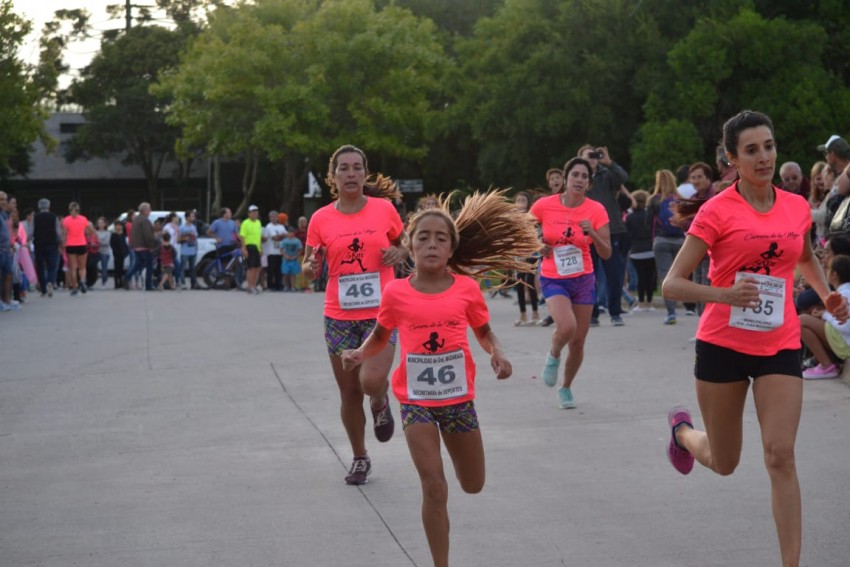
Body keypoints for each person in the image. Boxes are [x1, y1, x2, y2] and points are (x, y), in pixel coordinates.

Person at [662, 110, 849, 567]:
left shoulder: (795, 206)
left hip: (780, 343)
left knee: (780, 455)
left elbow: (803, 256)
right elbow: (672, 284)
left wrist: (825, 296)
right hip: (722, 345)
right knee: (725, 462)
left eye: (768, 146)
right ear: (732, 159)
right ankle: (683, 433)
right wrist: (724, 293)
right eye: (751, 150)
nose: (763, 156)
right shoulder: (717, 210)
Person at [340, 190, 538, 567]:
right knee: (434, 486)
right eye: (423, 238)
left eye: (440, 238)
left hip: (458, 399)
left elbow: (483, 331)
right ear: (410, 248)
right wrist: (360, 354)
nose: (432, 244)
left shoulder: (466, 288)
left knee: (472, 484)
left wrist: (498, 352)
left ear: (451, 250)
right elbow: (381, 336)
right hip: (415, 401)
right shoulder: (395, 292)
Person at [302, 144, 408, 485]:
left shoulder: (384, 209)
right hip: (339, 316)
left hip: (382, 312)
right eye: (343, 168)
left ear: (365, 173)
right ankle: (360, 457)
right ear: (334, 177)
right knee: (349, 393)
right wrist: (309, 267)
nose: (351, 173)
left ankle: (379, 401)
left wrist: (398, 251)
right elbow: (308, 267)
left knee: (371, 381)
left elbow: (406, 243)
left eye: (356, 167)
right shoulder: (320, 219)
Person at [532, 157, 611, 408]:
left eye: (584, 176)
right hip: (554, 276)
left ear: (589, 182)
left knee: (578, 341)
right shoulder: (544, 205)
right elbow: (523, 231)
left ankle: (566, 388)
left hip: (583, 278)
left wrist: (594, 234)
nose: (579, 180)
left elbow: (607, 252)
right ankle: (553, 354)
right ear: (565, 179)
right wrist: (536, 245)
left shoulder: (596, 209)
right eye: (575, 175)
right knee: (566, 327)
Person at [578, 144, 629, 326]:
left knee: (614, 274)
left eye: (594, 155)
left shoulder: (607, 175)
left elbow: (623, 177)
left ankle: (615, 312)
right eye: (587, 156)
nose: (592, 158)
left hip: (611, 229)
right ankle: (592, 314)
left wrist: (609, 162)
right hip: (585, 233)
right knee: (589, 275)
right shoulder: (579, 178)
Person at [799, 254, 850, 379]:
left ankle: (826, 365)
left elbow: (846, 326)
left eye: (827, 268)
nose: (824, 272)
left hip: (846, 344)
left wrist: (825, 314)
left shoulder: (845, 294)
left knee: (801, 321)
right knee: (809, 315)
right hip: (844, 341)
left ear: (834, 275)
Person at [624, 190, 656, 311]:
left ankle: (641, 303)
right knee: (650, 277)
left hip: (636, 251)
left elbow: (628, 235)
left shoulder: (630, 217)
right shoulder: (650, 215)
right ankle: (650, 302)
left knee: (640, 277)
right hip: (651, 249)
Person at [513, 191, 540, 326]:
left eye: (523, 200)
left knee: (529, 281)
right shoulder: (512, 219)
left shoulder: (532, 217)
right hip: (517, 254)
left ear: (528, 203)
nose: (520, 203)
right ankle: (522, 314)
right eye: (518, 200)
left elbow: (536, 235)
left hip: (531, 253)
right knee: (519, 283)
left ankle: (535, 313)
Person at [61, 202, 95, 296]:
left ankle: (75, 287)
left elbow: (64, 234)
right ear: (78, 210)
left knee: (73, 268)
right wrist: (85, 233)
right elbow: (91, 231)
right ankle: (83, 281)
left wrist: (63, 243)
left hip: (70, 245)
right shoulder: (83, 219)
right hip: (81, 244)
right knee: (82, 267)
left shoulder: (66, 220)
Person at [32, 198, 62, 297]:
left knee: (40, 266)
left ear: (39, 206)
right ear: (49, 206)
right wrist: (60, 241)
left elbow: (31, 231)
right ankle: (51, 281)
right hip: (52, 244)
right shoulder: (54, 217)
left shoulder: (35, 217)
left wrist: (27, 240)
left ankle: (43, 288)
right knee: (52, 266)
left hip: (39, 244)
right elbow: (58, 231)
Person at [125, 202, 156, 291]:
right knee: (149, 266)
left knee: (137, 265)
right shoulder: (145, 220)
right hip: (144, 247)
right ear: (145, 211)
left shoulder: (136, 220)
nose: (150, 211)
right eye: (149, 209)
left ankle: (127, 277)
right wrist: (151, 245)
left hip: (137, 247)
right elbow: (148, 235)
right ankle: (148, 285)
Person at [0, 191, 18, 311]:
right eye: (1, 199)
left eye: (5, 199)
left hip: (6, 249)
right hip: (1, 249)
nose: (4, 202)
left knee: (8, 274)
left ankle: (7, 300)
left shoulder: (4, 214)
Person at [240, 205, 263, 294]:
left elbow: (259, 236)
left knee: (257, 267)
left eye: (256, 212)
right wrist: (244, 248)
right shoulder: (245, 223)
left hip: (256, 247)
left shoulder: (258, 223)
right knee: (251, 267)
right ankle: (250, 287)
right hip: (249, 246)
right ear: (249, 214)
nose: (255, 214)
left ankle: (254, 285)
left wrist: (260, 248)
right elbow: (242, 236)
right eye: (252, 212)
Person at [262, 210, 286, 291]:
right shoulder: (269, 226)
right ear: (269, 218)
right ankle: (270, 285)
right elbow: (274, 237)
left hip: (280, 251)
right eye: (272, 217)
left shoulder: (281, 226)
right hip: (271, 251)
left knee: (278, 269)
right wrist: (281, 236)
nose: (274, 218)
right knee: (271, 269)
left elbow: (286, 235)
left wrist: (281, 236)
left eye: (275, 216)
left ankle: (278, 285)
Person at [178, 210, 199, 289]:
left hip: (193, 250)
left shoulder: (193, 227)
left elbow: (196, 237)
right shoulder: (182, 227)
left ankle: (193, 284)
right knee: (183, 267)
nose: (193, 218)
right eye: (192, 216)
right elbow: (178, 239)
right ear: (187, 217)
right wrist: (185, 237)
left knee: (192, 268)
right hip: (185, 250)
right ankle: (183, 283)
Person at [162, 213, 183, 288]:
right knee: (176, 266)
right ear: (173, 218)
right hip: (168, 248)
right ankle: (175, 282)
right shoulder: (167, 227)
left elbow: (177, 240)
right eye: (177, 217)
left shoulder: (177, 227)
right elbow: (164, 237)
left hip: (174, 248)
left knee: (174, 267)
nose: (178, 219)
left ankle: (173, 283)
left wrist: (178, 232)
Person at [280, 227, 303, 292]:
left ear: (294, 233)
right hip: (286, 259)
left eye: (291, 232)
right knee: (285, 273)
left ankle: (293, 286)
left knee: (293, 274)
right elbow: (281, 249)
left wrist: (295, 256)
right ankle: (286, 286)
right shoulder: (284, 241)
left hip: (294, 259)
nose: (290, 234)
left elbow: (300, 250)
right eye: (289, 232)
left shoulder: (297, 241)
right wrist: (285, 255)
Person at [110, 221, 129, 289]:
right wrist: (116, 251)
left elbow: (125, 244)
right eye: (117, 225)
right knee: (116, 268)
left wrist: (126, 251)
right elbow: (112, 244)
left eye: (120, 225)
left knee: (121, 268)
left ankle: (120, 281)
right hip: (116, 254)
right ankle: (116, 283)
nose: (119, 227)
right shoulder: (114, 234)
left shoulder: (123, 234)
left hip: (123, 253)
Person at [95, 217, 111, 288]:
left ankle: (104, 282)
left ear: (105, 224)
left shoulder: (108, 233)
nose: (100, 224)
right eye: (99, 223)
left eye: (102, 223)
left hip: (105, 252)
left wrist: (98, 242)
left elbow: (106, 242)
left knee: (104, 268)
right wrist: (100, 242)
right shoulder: (95, 232)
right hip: (96, 252)